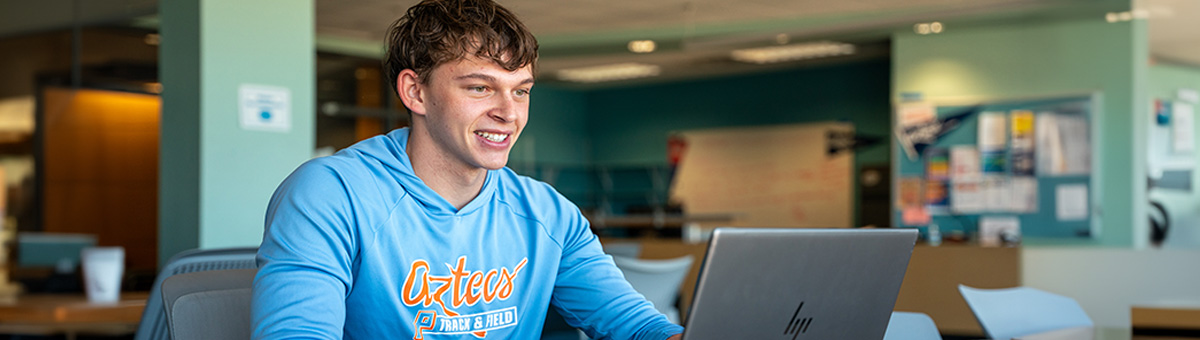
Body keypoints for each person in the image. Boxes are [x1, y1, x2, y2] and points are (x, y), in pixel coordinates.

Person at [251, 1, 684, 339]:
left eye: (521, 91)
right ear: (415, 92)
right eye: (480, 87)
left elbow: (639, 328)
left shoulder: (548, 213)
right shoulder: (331, 193)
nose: (508, 113)